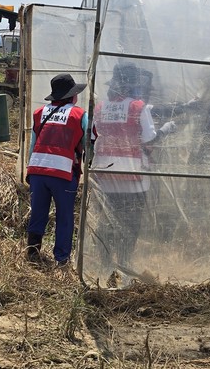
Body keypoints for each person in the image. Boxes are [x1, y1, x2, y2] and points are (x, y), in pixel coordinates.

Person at [90, 64, 175, 270]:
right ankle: (125, 261)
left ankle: (105, 262)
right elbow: (148, 141)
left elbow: (93, 137)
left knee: (107, 218)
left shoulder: (100, 107)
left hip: (104, 173)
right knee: (131, 220)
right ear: (132, 86)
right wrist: (166, 130)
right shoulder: (139, 107)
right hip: (132, 174)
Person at [25, 73, 88, 266]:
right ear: (72, 95)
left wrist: (30, 170)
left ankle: (32, 253)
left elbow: (33, 143)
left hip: (37, 170)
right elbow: (86, 144)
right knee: (65, 216)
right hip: (62, 172)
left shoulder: (39, 113)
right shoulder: (79, 115)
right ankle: (61, 259)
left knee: (38, 212)